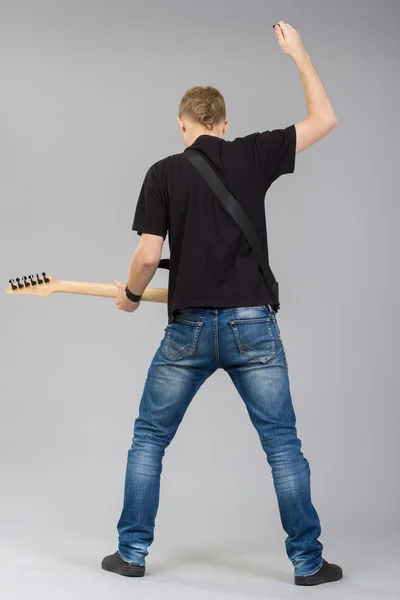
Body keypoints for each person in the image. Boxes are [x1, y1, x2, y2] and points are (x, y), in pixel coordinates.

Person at [102, 21, 342, 586]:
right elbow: (326, 120)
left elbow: (145, 256)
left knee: (149, 439)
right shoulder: (254, 154)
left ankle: (131, 555)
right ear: (225, 124)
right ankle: (308, 564)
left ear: (183, 125)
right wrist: (300, 53)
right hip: (253, 328)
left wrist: (133, 297)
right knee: (283, 445)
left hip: (186, 330)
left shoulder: (163, 173)